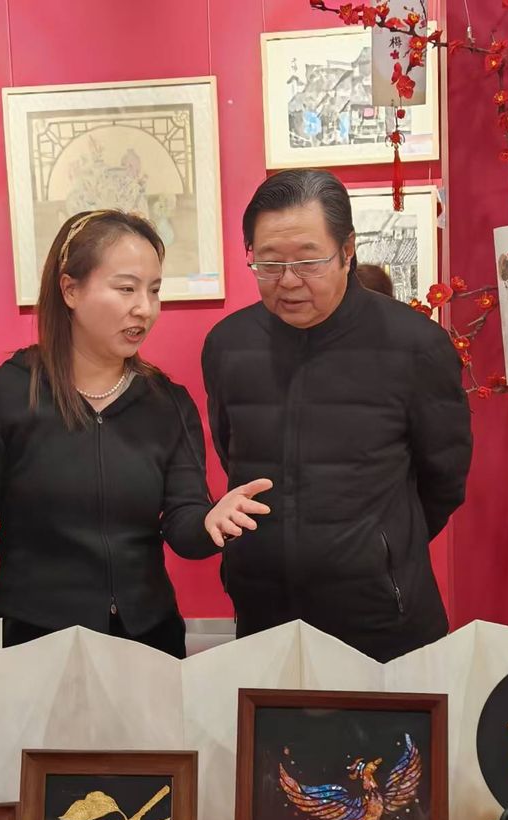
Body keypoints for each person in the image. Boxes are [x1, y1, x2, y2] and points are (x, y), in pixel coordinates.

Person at [0, 210, 269, 656]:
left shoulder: (167, 402)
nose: (145, 308)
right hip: (33, 644)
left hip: (149, 642)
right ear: (70, 289)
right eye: (126, 289)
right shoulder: (3, 395)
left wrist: (212, 522)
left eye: (154, 290)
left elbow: (182, 522)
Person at [200, 169, 471, 663]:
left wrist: (377, 549)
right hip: (264, 614)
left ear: (347, 251)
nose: (288, 281)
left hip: (384, 620)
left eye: (309, 261)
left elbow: (444, 481)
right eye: (269, 263)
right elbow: (231, 450)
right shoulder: (227, 345)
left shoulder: (415, 345)